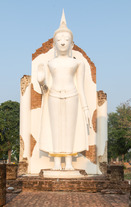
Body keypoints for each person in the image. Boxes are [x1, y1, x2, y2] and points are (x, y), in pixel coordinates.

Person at [38, 11, 92, 170]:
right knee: (55, 129)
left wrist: (86, 108)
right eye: (59, 40)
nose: (62, 42)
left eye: (66, 39)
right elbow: (45, 89)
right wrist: (42, 81)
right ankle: (56, 163)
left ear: (72, 44)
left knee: (70, 129)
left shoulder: (77, 64)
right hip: (54, 95)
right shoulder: (49, 63)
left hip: (72, 95)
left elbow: (81, 87)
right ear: (54, 43)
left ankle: (68, 162)